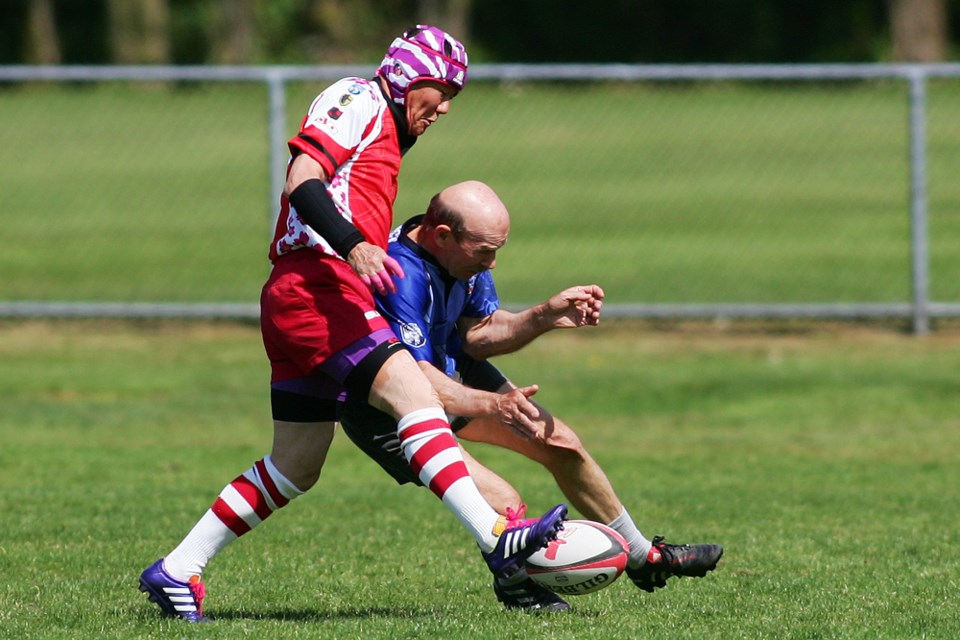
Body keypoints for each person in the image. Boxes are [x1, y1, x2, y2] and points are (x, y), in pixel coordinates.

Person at [138, 26, 566, 623]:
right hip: (318, 286)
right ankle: (498, 538)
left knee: (295, 465)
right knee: (413, 395)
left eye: (452, 98)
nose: (444, 108)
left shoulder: (390, 132)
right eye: (440, 91)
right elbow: (302, 180)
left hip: (305, 296)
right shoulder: (359, 99)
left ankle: (178, 569)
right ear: (406, 77)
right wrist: (355, 246)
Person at [339, 180, 724, 612]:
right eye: (484, 251)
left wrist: (543, 316)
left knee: (561, 443)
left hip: (449, 367)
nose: (493, 262)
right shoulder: (401, 276)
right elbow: (418, 381)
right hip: (386, 408)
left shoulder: (460, 258)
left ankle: (642, 557)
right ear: (443, 236)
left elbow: (478, 335)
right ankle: (516, 585)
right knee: (502, 500)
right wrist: (494, 405)